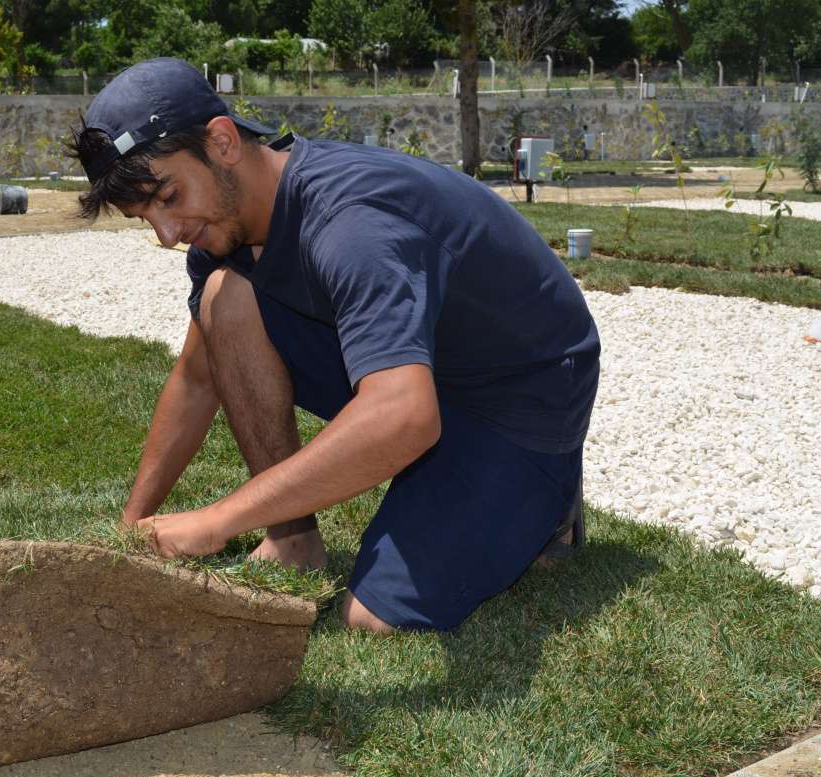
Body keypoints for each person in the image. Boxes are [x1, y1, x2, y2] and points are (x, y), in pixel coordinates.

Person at [67, 58, 600, 634]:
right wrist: (132, 527)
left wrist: (217, 520)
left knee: (373, 616)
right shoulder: (224, 230)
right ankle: (292, 538)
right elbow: (198, 379)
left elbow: (404, 415)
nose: (166, 234)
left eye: (167, 197)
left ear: (221, 141)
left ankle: (549, 498)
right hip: (429, 370)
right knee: (225, 298)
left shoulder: (351, 223)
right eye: (143, 216)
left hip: (519, 395)